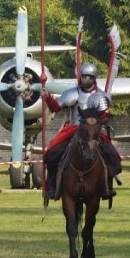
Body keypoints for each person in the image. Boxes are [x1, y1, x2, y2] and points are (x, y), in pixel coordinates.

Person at [43, 63, 121, 200]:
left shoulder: (100, 96)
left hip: (93, 131)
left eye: (89, 77)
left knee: (112, 155)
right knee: (51, 153)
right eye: (83, 76)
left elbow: (104, 117)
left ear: (94, 78)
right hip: (73, 129)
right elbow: (55, 107)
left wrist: (96, 125)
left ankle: (107, 186)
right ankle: (52, 185)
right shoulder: (72, 93)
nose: (86, 79)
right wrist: (47, 97)